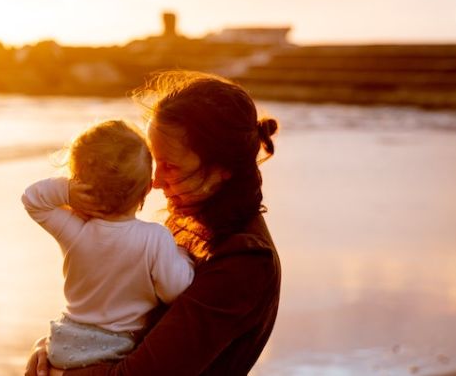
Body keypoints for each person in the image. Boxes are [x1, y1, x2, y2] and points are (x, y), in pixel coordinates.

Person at [26, 71, 281, 376]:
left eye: (170, 166)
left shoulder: (245, 260)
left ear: (222, 169)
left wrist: (58, 372)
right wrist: (54, 347)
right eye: (154, 161)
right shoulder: (187, 220)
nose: (155, 181)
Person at [21, 119, 195, 369]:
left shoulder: (75, 231)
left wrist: (67, 192)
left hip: (63, 343)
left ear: (81, 182)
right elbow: (175, 290)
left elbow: (33, 200)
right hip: (114, 349)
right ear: (147, 189)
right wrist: (182, 255)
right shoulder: (156, 238)